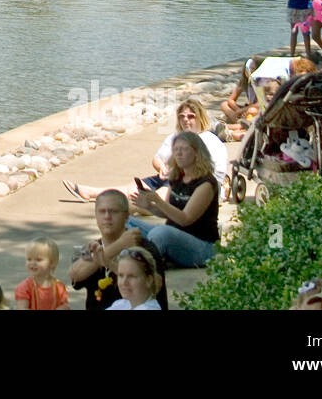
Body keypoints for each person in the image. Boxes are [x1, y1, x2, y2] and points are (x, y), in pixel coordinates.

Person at [64, 97, 228, 200]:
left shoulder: (208, 140)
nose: (186, 120)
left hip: (197, 187)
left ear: (201, 118)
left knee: (153, 197)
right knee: (133, 188)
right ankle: (89, 192)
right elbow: (157, 159)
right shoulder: (175, 137)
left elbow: (204, 171)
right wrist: (162, 167)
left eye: (191, 117)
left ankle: (128, 210)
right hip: (172, 179)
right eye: (182, 117)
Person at [128, 131, 219, 268]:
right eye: (176, 149)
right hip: (174, 235)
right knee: (125, 220)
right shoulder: (177, 177)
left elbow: (185, 219)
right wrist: (149, 207)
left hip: (202, 246)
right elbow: (169, 212)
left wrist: (158, 200)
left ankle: (143, 265)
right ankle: (127, 258)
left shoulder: (206, 183)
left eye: (184, 149)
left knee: (161, 233)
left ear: (196, 153)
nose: (179, 153)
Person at [69, 190, 169, 310]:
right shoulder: (90, 247)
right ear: (95, 215)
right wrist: (118, 246)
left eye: (113, 211)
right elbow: (75, 274)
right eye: (102, 211)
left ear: (127, 216)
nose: (107, 216)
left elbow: (155, 286)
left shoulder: (144, 248)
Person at [14, 238, 68, 310]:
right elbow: (22, 307)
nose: (32, 263)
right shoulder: (24, 287)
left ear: (52, 263)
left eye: (38, 260)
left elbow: (65, 306)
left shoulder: (59, 287)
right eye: (29, 259)